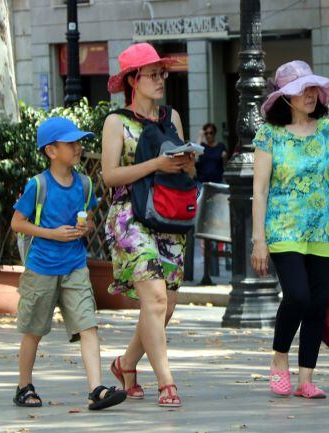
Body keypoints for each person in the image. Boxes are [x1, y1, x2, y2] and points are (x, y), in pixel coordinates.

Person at [250, 60, 329, 399]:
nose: (311, 94)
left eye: (314, 88)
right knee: (297, 296)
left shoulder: (327, 130)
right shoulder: (270, 134)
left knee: (316, 304)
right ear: (286, 97)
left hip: (323, 230)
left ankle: (306, 379)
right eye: (303, 89)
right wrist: (259, 240)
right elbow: (260, 190)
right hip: (283, 230)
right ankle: (279, 356)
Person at [101, 43, 195, 407]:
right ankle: (166, 382)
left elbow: (187, 172)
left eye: (162, 73)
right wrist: (156, 164)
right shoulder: (116, 122)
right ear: (132, 80)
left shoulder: (172, 117)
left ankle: (125, 364)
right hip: (130, 216)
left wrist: (186, 162)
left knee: (165, 306)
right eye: (152, 74)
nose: (160, 80)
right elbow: (110, 176)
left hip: (168, 213)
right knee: (154, 299)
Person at [11, 117, 127, 411]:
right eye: (71, 143)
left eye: (79, 142)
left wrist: (86, 227)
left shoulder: (84, 184)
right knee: (33, 331)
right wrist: (51, 233)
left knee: (88, 326)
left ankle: (96, 389)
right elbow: (17, 223)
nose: (78, 147)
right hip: (41, 267)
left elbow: (88, 217)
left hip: (75, 265)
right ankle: (24, 386)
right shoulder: (38, 185)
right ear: (51, 151)